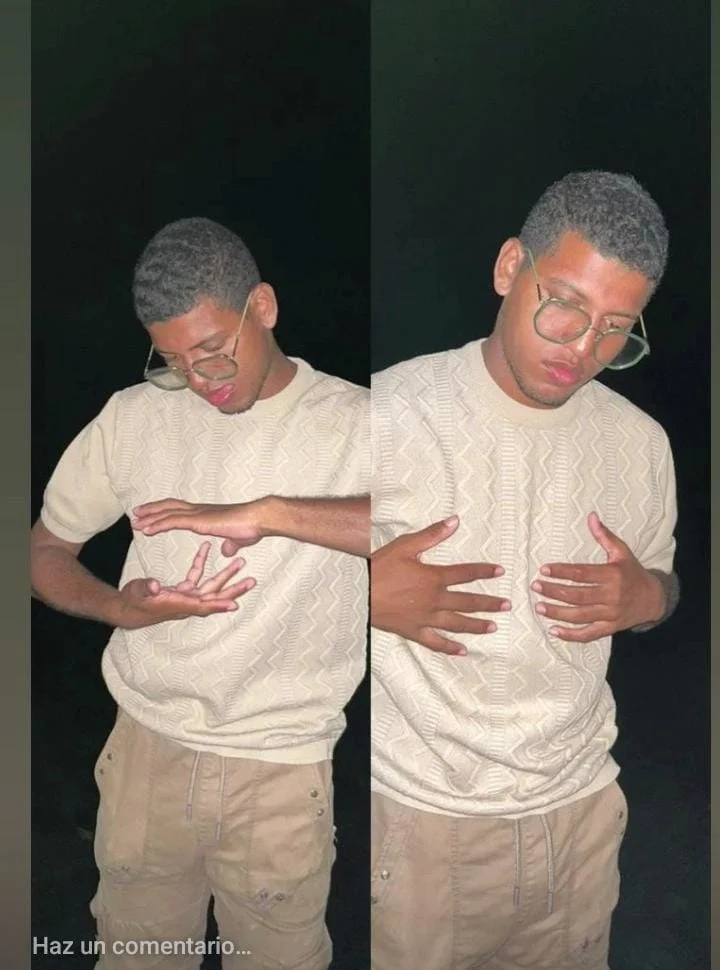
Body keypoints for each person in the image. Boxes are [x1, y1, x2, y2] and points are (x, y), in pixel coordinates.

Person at [30, 217, 369, 970]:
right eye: (175, 360)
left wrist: (272, 513)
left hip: (280, 767)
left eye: (214, 349)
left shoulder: (358, 423)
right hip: (146, 752)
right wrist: (119, 607)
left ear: (264, 306)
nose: (200, 378)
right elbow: (45, 552)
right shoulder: (133, 417)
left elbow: (442, 528)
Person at [370, 171, 680, 970]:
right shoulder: (385, 414)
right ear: (511, 267)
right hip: (420, 820)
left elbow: (662, 589)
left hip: (579, 816)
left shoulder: (641, 443)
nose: (583, 348)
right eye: (565, 304)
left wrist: (648, 596)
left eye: (616, 328)